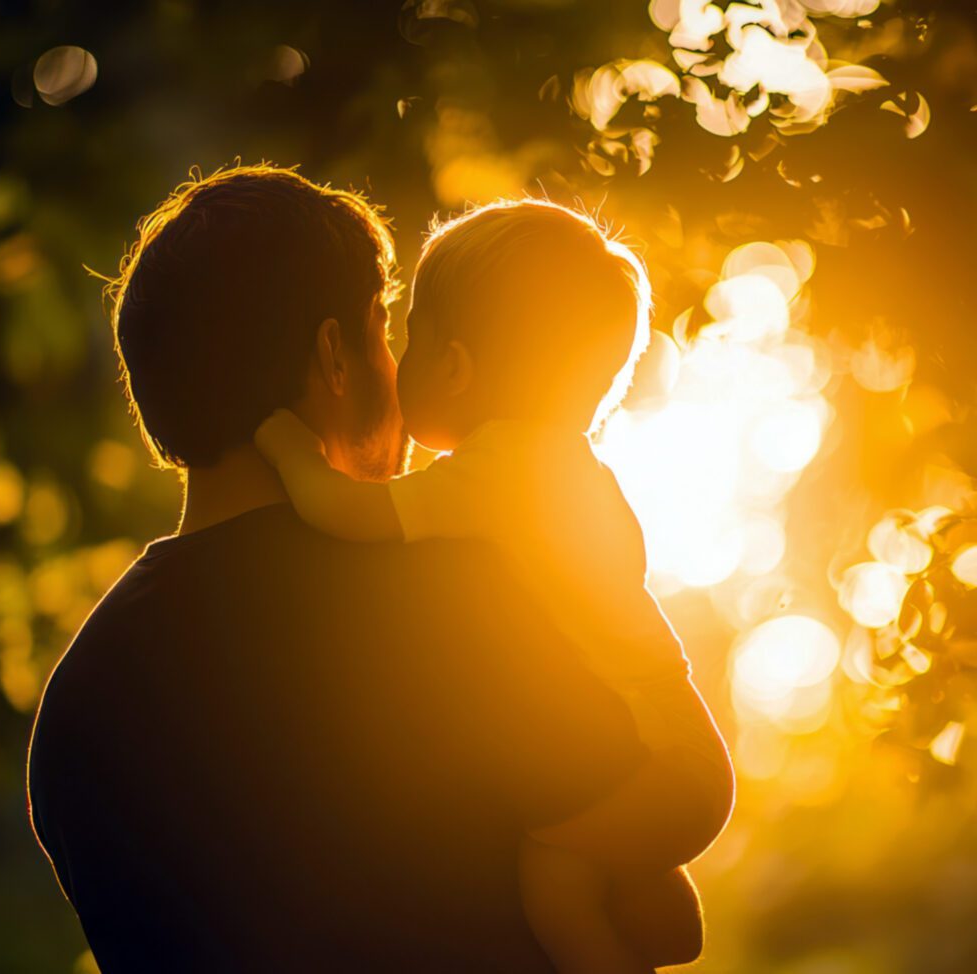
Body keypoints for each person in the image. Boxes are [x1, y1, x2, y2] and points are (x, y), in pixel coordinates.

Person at [26, 163, 706, 973]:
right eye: (386, 329)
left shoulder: (75, 713)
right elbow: (668, 923)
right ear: (334, 358)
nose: (400, 367)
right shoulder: (450, 599)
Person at [254, 198, 735, 971]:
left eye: (410, 338)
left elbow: (347, 511)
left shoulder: (494, 472)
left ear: (454, 366)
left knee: (550, 879)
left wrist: (288, 446)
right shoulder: (577, 472)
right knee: (615, 877)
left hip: (651, 762)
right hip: (683, 753)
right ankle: (661, 904)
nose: (399, 361)